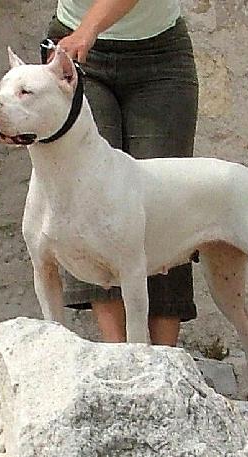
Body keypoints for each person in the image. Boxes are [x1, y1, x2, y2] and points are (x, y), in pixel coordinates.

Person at [45, 0, 199, 346]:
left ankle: (163, 360)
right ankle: (118, 355)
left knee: (166, 208)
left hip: (159, 52)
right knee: (90, 200)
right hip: (74, 49)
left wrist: (89, 30)